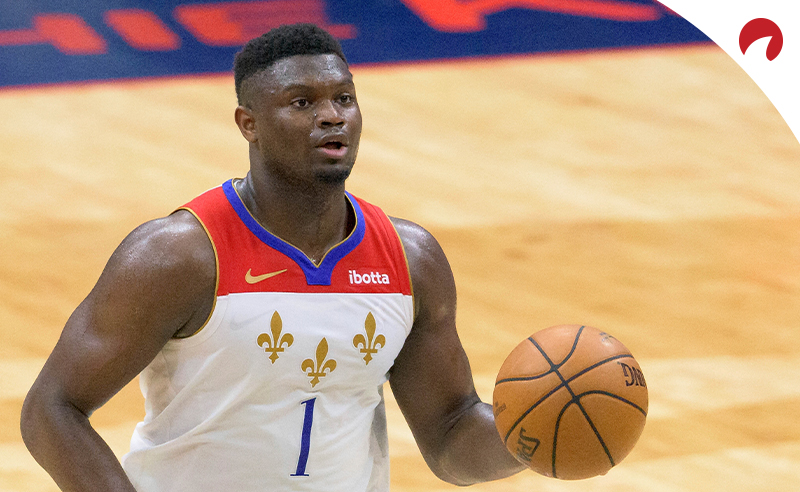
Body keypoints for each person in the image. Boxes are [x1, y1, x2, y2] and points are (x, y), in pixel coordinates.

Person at [20, 23, 525, 491]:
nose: (332, 115)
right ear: (249, 124)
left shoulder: (410, 260)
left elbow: (451, 436)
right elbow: (52, 409)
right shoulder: (180, 256)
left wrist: (534, 437)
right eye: (302, 102)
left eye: (344, 98)